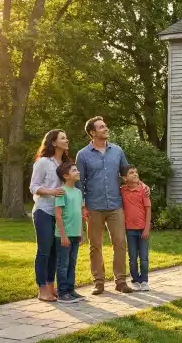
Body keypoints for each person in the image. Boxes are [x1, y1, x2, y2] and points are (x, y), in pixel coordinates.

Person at [76, 116, 144, 294]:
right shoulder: (82, 155)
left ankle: (120, 281)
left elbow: (127, 173)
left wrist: (141, 184)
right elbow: (79, 183)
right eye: (101, 127)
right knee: (95, 245)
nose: (106, 129)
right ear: (92, 132)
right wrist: (82, 206)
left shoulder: (117, 151)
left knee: (120, 243)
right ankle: (99, 282)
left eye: (105, 126)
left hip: (115, 205)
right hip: (93, 207)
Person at [29, 129, 70, 302]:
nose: (67, 140)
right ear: (53, 142)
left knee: (55, 251)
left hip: (60, 214)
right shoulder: (43, 162)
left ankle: (50, 287)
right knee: (44, 250)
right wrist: (52, 192)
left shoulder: (66, 163)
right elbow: (33, 187)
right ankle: (42, 289)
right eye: (63, 138)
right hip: (43, 211)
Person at [54, 161, 85, 303]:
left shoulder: (78, 192)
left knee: (72, 263)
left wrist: (81, 233)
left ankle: (71, 290)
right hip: (64, 236)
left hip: (75, 235)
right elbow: (58, 215)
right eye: (74, 170)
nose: (78, 172)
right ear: (66, 176)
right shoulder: (61, 192)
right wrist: (63, 235)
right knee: (63, 264)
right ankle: (62, 293)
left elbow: (79, 214)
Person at [121, 166, 152, 291]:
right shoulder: (122, 190)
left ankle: (144, 280)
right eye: (131, 173)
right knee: (132, 257)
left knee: (144, 257)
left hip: (142, 229)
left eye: (136, 172)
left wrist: (146, 228)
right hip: (129, 230)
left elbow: (148, 210)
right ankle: (135, 280)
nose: (135, 174)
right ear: (124, 178)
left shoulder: (143, 191)